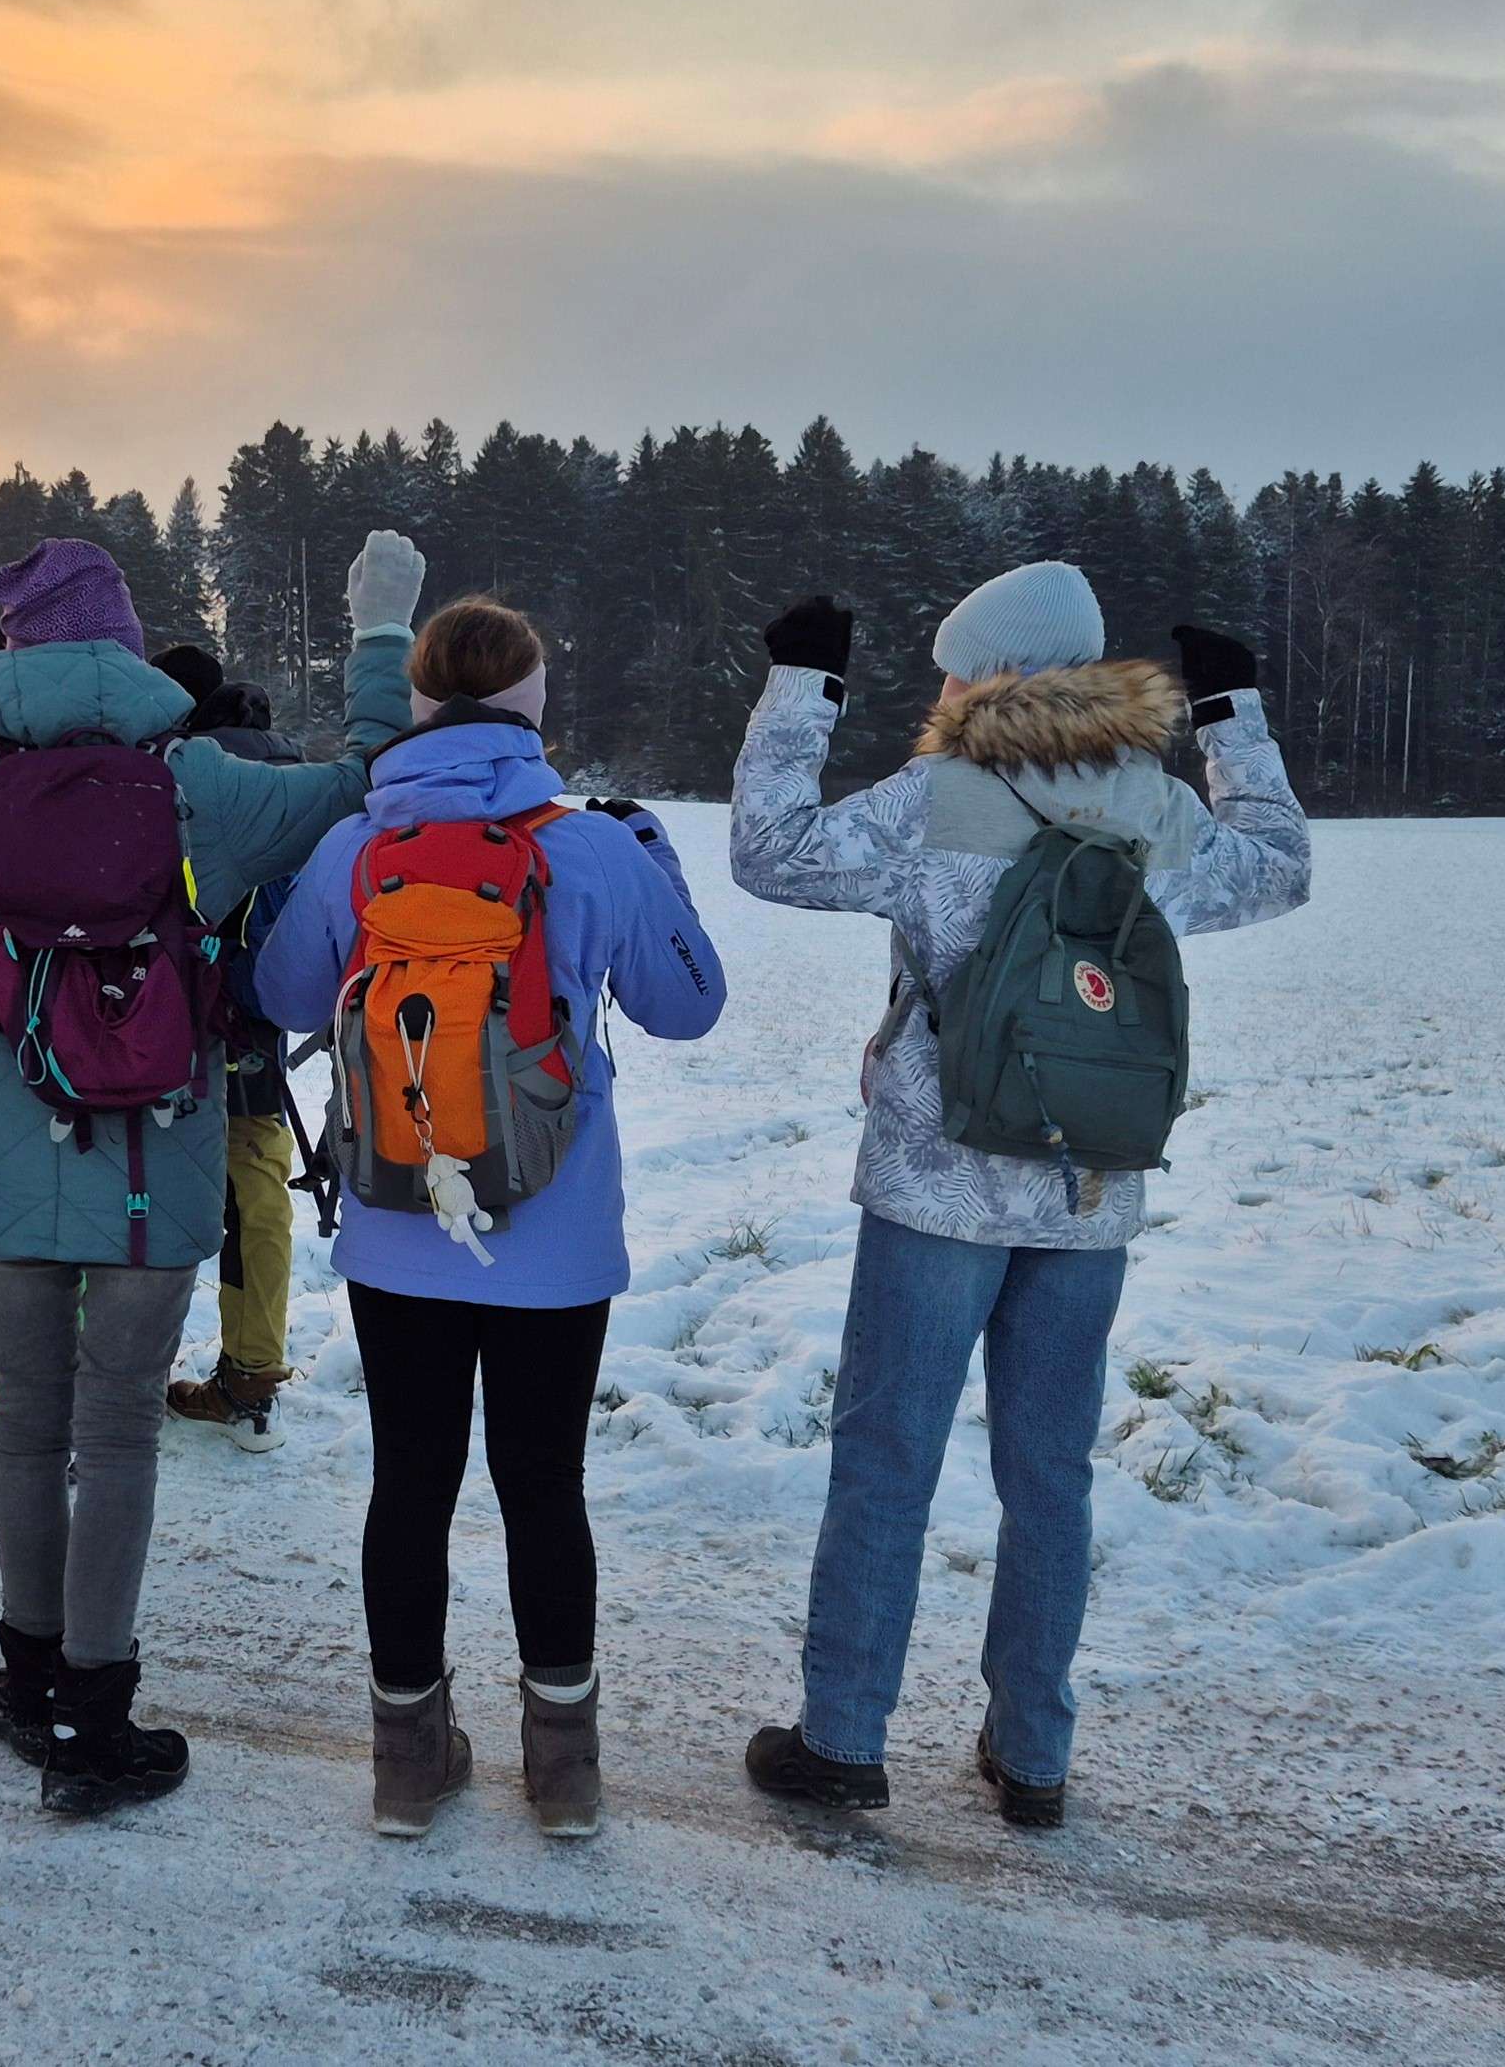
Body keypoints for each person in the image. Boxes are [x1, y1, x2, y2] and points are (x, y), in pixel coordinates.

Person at [0, 523, 418, 1815]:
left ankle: (27, 1673)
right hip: (153, 1154)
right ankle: (96, 1716)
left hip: (9, 1146)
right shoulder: (205, 784)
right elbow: (374, 776)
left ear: (12, 653)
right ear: (124, 647)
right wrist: (381, 630)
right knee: (119, 1437)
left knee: (27, 1429)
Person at [728, 563, 1309, 1827]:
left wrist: (802, 687)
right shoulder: (1154, 802)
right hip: (1088, 1184)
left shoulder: (936, 796)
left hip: (938, 1182)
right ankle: (1033, 1750)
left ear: (987, 674)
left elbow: (769, 853)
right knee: (1050, 1471)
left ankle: (842, 1736)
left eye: (952, 665)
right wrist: (1230, 713)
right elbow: (1278, 868)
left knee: (887, 1460)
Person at [254, 599, 726, 1838]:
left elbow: (282, 990)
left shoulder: (361, 843)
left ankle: (407, 1757)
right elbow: (688, 1006)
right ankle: (562, 1766)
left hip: (398, 1218)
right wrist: (654, 861)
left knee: (408, 1477)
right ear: (531, 704)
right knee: (541, 1481)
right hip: (555, 1228)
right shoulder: (585, 844)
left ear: (416, 704)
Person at [150, 646, 311, 1452]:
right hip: (261, 1020)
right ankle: (252, 1377)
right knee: (258, 1194)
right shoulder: (291, 774)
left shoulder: (186, 773)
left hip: (174, 1020)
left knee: (141, 1187)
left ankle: (121, 1365)